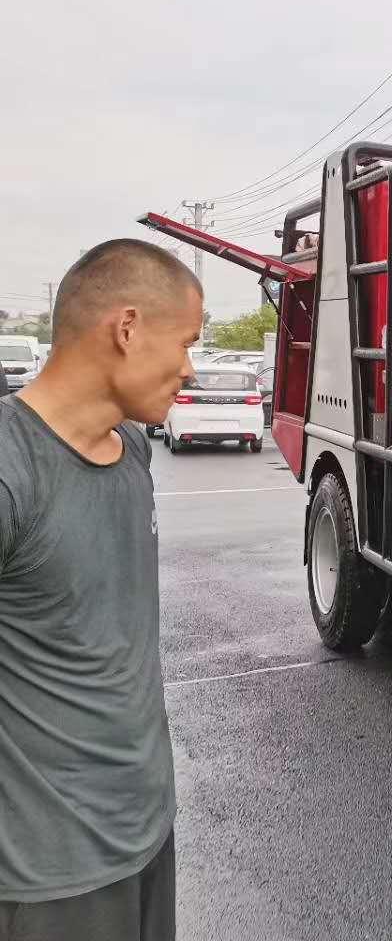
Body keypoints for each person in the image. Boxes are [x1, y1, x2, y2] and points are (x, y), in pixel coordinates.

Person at [0, 240, 202, 941]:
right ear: (127, 329)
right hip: (49, 877)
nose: (190, 368)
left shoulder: (134, 448)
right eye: (185, 343)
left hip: (146, 833)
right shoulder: (10, 467)